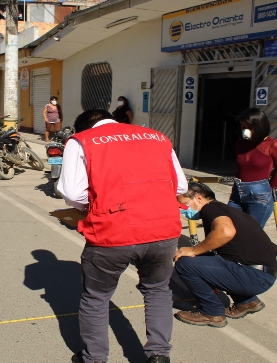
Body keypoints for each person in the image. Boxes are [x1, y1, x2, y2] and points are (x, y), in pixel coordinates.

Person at [58, 109, 187, 363]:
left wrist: (96, 202)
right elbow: (180, 186)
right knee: (158, 290)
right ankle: (159, 354)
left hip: (113, 231)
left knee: (96, 297)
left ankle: (94, 358)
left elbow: (71, 192)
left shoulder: (81, 140)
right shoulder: (157, 137)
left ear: (84, 127)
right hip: (162, 229)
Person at [174, 182, 277, 328]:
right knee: (204, 259)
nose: (182, 210)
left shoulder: (210, 209)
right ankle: (246, 302)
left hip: (255, 276)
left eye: (184, 205)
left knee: (185, 263)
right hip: (263, 274)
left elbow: (226, 232)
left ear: (198, 198)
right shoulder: (224, 210)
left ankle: (211, 312)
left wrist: (193, 250)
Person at [230, 108, 277, 228]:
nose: (245, 131)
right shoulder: (241, 144)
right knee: (229, 226)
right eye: (243, 127)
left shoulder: (274, 145)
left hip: (259, 195)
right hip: (237, 192)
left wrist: (267, 190)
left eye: (249, 128)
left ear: (259, 126)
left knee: (251, 232)